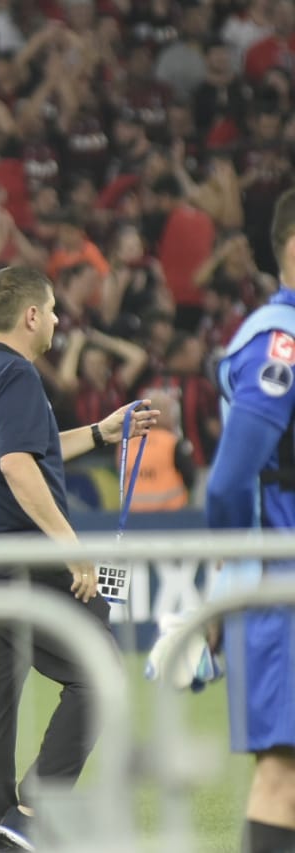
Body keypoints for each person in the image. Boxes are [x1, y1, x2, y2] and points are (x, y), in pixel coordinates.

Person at [0, 265, 157, 851]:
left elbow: (28, 450)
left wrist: (99, 433)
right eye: (55, 309)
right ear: (32, 315)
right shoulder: (16, 375)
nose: (60, 320)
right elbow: (17, 467)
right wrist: (71, 547)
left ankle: (4, 832)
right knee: (100, 671)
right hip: (22, 565)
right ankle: (34, 810)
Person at [206, 187, 295, 853]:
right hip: (282, 587)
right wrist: (236, 575)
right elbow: (231, 480)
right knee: (284, 772)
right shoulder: (277, 342)